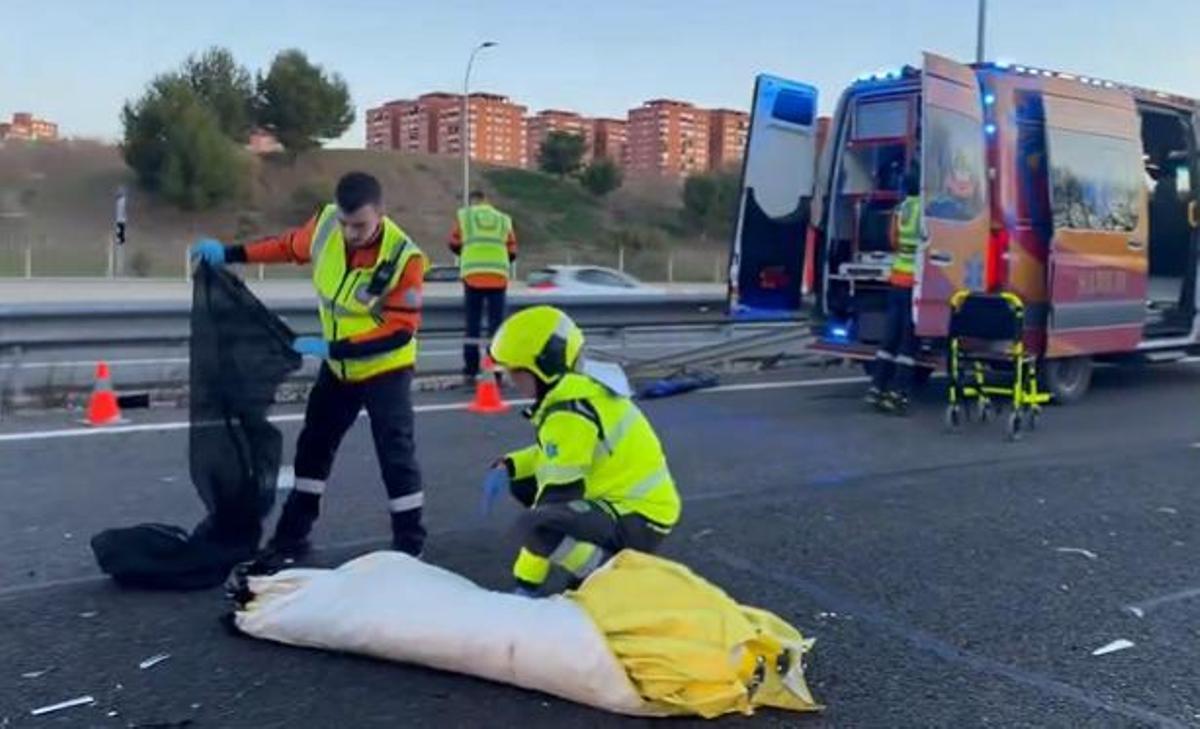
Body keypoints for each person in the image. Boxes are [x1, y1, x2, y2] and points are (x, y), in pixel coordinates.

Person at [190, 171, 428, 566]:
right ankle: (292, 536)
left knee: (395, 453)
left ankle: (409, 544)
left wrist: (336, 347)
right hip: (339, 369)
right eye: (345, 223)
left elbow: (400, 332)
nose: (350, 233)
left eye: (360, 226)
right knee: (314, 446)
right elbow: (286, 247)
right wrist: (230, 254)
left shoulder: (405, 258)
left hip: (385, 368)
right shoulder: (326, 226)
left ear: (381, 213)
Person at [480, 306, 681, 596]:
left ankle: (609, 574)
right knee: (526, 487)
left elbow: (552, 500)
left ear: (544, 368)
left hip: (639, 517)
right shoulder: (580, 393)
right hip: (634, 505)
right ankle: (596, 566)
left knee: (537, 526)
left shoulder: (569, 416)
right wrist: (511, 465)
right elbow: (553, 457)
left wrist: (525, 584)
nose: (511, 381)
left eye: (516, 372)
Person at [866, 164, 921, 415]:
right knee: (908, 341)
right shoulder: (924, 209)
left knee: (890, 337)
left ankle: (877, 387)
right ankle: (899, 393)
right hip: (915, 282)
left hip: (897, 277)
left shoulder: (901, 208)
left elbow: (893, 240)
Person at [449, 189, 517, 384]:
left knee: (472, 325)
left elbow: (453, 243)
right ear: (487, 201)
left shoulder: (465, 217)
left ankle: (470, 371)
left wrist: (467, 252)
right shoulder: (503, 219)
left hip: (473, 276)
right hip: (498, 276)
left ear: (472, 201)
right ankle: (496, 371)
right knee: (496, 327)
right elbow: (512, 251)